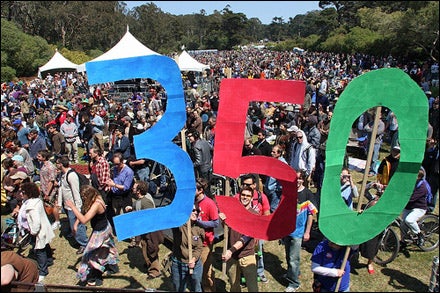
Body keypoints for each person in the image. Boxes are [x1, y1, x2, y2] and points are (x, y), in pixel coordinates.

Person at [65, 185, 119, 287]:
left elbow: (85, 219)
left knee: (90, 255)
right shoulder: (96, 197)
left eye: (84, 197)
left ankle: (96, 278)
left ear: (88, 195)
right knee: (106, 249)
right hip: (105, 228)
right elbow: (85, 211)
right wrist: (75, 224)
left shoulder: (97, 204)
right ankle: (113, 267)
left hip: (100, 232)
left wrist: (73, 207)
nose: (83, 199)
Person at [283, 170, 318, 292]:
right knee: (288, 255)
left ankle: (294, 283)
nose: (297, 181)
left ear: (303, 179)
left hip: (298, 232)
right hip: (287, 230)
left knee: (294, 258)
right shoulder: (288, 191)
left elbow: (311, 214)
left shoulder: (307, 194)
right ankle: (292, 273)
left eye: (300, 178)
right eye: (295, 178)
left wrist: (307, 232)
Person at [220, 186, 259, 292]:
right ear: (239, 196)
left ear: (252, 198)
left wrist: (230, 250)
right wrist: (223, 221)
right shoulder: (232, 212)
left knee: (253, 288)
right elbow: (227, 230)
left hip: (247, 255)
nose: (245, 197)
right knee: (234, 286)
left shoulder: (254, 215)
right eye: (243, 195)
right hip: (233, 257)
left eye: (248, 195)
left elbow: (246, 238)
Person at [124, 181, 164, 280]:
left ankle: (154, 271)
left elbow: (150, 217)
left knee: (151, 249)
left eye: (134, 187)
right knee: (145, 247)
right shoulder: (137, 201)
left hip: (149, 232)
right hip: (143, 230)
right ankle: (149, 263)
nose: (132, 188)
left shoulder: (146, 202)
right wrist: (131, 209)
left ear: (138, 191)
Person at [236, 173, 271, 283]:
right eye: (244, 184)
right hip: (241, 230)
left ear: (254, 185)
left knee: (258, 252)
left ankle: (260, 272)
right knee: (240, 252)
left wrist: (262, 231)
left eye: (249, 184)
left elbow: (266, 213)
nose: (246, 186)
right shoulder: (238, 197)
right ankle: (241, 273)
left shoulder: (261, 197)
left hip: (257, 231)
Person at [21, 182, 55, 283]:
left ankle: (43, 271)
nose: (22, 194)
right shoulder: (37, 201)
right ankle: (49, 260)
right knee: (45, 245)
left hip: (39, 231)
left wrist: (34, 232)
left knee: (40, 251)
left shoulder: (32, 206)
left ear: (28, 193)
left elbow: (36, 222)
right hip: (44, 228)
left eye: (23, 192)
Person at [56, 155, 89, 254]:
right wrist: (59, 202)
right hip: (67, 205)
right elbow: (62, 189)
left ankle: (84, 244)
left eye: (57, 163)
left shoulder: (71, 176)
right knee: (72, 224)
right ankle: (75, 236)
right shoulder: (63, 174)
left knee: (78, 225)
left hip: (73, 206)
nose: (56, 165)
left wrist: (78, 209)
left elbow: (76, 193)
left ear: (61, 164)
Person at [171, 204, 205, 292]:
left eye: (197, 211)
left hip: (195, 265)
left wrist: (193, 259)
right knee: (178, 289)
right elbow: (172, 216)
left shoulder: (199, 228)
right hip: (178, 263)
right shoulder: (178, 225)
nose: (196, 213)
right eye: (193, 210)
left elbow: (199, 247)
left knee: (197, 288)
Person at [194, 178, 219, 292]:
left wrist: (199, 222)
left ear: (200, 190)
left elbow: (215, 222)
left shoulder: (209, 203)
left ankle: (209, 289)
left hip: (206, 242)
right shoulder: (192, 201)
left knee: (206, 271)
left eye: (194, 188)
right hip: (194, 240)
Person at [105, 152, 134, 235]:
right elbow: (114, 180)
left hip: (124, 196)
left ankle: (126, 233)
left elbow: (126, 187)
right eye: (114, 164)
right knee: (115, 214)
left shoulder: (129, 172)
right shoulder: (114, 169)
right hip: (115, 195)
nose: (116, 166)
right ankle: (118, 230)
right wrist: (110, 183)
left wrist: (114, 185)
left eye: (117, 164)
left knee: (124, 216)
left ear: (122, 162)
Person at [401, 167, 429, 247]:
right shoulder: (410, 183)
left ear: (419, 177)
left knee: (409, 220)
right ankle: (404, 240)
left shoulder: (422, 187)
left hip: (419, 208)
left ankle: (420, 235)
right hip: (408, 207)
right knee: (403, 224)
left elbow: (411, 199)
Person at [36, 150, 61, 230]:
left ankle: (57, 221)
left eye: (39, 156)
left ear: (44, 157)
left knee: (53, 206)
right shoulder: (43, 165)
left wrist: (47, 193)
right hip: (44, 189)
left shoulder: (50, 167)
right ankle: (51, 219)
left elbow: (51, 181)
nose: (37, 157)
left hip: (50, 191)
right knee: (47, 206)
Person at [265, 144, 288, 213]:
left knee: (273, 209)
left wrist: (278, 189)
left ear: (279, 153)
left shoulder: (283, 164)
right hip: (269, 189)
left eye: (274, 152)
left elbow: (284, 179)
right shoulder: (273, 161)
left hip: (276, 191)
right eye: (272, 152)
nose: (271, 153)